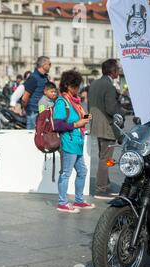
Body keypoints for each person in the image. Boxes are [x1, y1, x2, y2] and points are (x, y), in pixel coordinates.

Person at [53, 70, 95, 214]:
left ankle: (78, 200)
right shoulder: (61, 102)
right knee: (66, 173)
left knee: (82, 171)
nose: (78, 88)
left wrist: (88, 117)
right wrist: (77, 124)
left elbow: (80, 117)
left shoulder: (75, 102)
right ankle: (62, 202)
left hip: (77, 142)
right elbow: (58, 124)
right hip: (69, 142)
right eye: (75, 86)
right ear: (67, 85)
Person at [88, 59, 125, 199]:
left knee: (102, 156)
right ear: (112, 71)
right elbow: (111, 109)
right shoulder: (108, 86)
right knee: (106, 158)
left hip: (96, 125)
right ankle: (102, 188)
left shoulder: (95, 83)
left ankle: (105, 184)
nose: (119, 71)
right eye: (117, 69)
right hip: (107, 127)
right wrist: (121, 113)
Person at [22, 56, 51, 129]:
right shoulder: (33, 78)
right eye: (49, 64)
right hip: (33, 113)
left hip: (42, 111)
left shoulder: (45, 77)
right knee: (32, 137)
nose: (50, 66)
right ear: (43, 65)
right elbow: (25, 98)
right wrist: (27, 109)